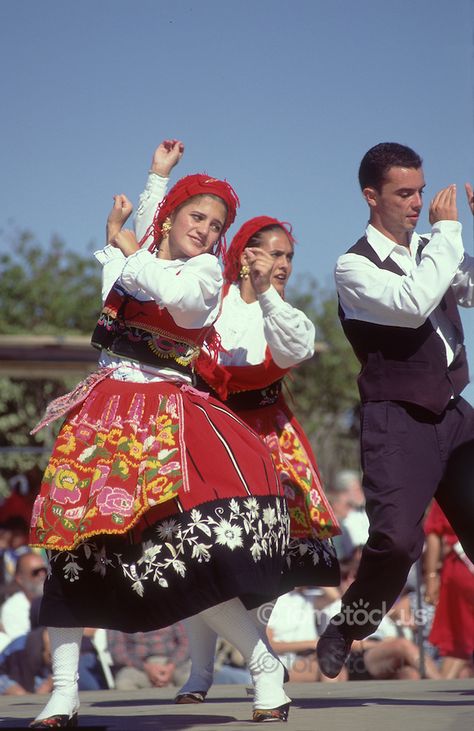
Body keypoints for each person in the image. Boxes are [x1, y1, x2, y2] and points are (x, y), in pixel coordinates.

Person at [28, 160, 291, 725]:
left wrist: (129, 242)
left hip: (163, 416)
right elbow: (133, 262)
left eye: (217, 225)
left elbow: (162, 285)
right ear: (171, 217)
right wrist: (152, 184)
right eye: (197, 216)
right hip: (102, 412)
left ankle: (264, 665)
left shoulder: (201, 278)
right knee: (69, 549)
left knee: (189, 554)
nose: (206, 230)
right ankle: (64, 691)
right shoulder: (141, 254)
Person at [134, 177, 340, 704]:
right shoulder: (212, 299)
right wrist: (156, 181)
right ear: (246, 252)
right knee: (205, 556)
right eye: (274, 253)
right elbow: (152, 258)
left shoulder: (282, 313)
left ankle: (252, 661)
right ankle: (203, 673)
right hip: (205, 435)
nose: (284, 264)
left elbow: (295, 350)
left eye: (290, 256)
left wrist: (269, 293)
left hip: (267, 439)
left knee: (264, 567)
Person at [316, 141, 474, 679]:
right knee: (397, 542)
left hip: (455, 414)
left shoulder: (434, 248)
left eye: (421, 191)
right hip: (397, 419)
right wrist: (450, 235)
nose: (418, 202)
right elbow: (411, 306)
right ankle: (349, 624)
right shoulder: (352, 267)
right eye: (404, 193)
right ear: (371, 197)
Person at [424, 500, 474, 678]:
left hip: (460, 570)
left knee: (458, 644)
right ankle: (444, 682)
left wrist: (431, 576)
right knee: (458, 643)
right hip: (462, 571)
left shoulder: (453, 481)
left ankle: (443, 683)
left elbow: (434, 533)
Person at [107, 623, 190, 690]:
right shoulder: (119, 615)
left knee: (190, 681)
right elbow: (118, 653)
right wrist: (147, 667)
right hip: (138, 667)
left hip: (174, 664)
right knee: (123, 684)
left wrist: (171, 666)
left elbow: (187, 643)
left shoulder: (172, 610)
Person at [0, 551, 47, 642]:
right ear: (20, 579)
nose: (42, 575)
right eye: (35, 572)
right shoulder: (13, 609)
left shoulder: (55, 600)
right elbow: (21, 646)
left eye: (44, 570)